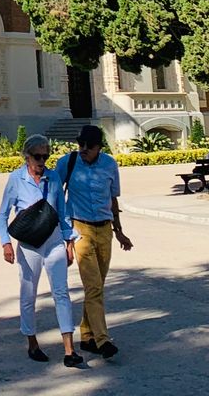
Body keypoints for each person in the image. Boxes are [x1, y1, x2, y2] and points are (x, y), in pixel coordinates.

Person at [0, 134, 83, 367]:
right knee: (28, 293)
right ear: (27, 156)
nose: (42, 160)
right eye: (37, 156)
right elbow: (2, 215)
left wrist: (69, 242)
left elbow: (63, 213)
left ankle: (69, 349)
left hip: (53, 240)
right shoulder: (16, 179)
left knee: (62, 293)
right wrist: (5, 242)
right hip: (28, 245)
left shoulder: (53, 178)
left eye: (46, 155)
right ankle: (32, 342)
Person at [55, 125, 133, 358]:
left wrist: (119, 230)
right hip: (80, 229)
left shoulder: (109, 164)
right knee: (93, 286)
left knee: (97, 285)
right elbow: (55, 196)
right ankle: (102, 340)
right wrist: (65, 235)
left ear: (100, 146)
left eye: (89, 146)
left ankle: (87, 335)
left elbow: (113, 198)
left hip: (105, 230)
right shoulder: (68, 163)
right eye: (81, 145)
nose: (84, 150)